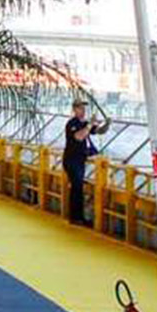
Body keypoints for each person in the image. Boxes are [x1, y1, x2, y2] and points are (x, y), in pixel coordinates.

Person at [62, 96, 110, 226]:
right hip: (72, 159)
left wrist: (107, 124)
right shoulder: (72, 124)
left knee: (78, 187)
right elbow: (79, 136)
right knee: (76, 187)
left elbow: (98, 131)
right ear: (74, 109)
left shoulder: (85, 123)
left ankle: (78, 216)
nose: (83, 110)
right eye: (80, 108)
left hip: (80, 159)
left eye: (83, 108)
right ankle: (76, 217)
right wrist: (90, 124)